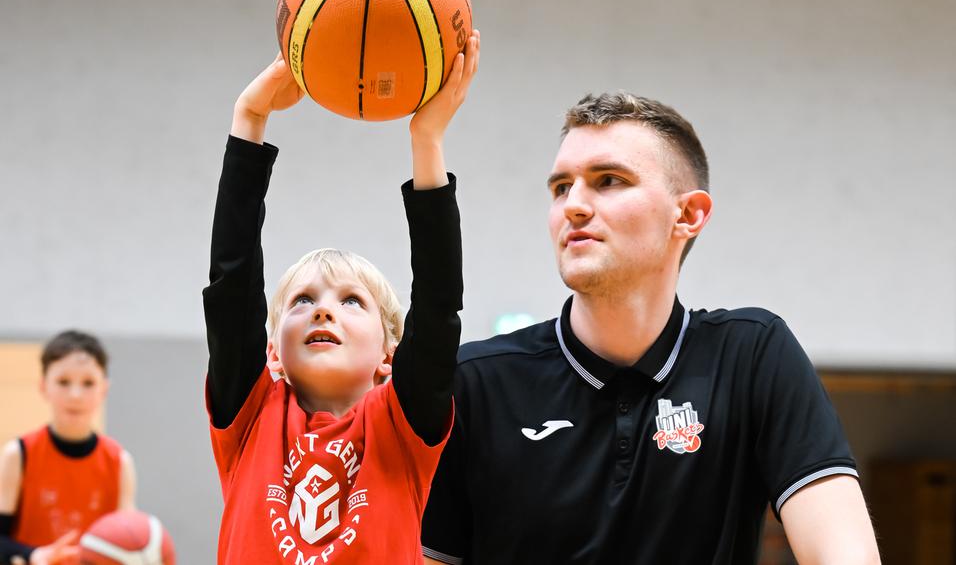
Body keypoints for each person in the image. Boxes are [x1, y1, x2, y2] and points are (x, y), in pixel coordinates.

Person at [421, 93, 880, 564]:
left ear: (687, 215)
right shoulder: (477, 380)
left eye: (608, 181)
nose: (574, 205)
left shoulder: (753, 354)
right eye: (561, 187)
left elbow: (845, 554)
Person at [204, 31, 479, 564]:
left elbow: (439, 302)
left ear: (389, 356)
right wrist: (249, 120)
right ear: (271, 351)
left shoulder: (401, 426)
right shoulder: (251, 415)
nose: (323, 308)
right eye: (302, 301)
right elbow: (231, 286)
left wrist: (427, 140)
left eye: (352, 301)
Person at [0, 330, 137, 565]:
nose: (75, 395)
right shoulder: (18, 454)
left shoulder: (119, 461)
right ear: (44, 386)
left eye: (88, 383)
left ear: (103, 389)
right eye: (63, 382)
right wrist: (32, 555)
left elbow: (126, 542)